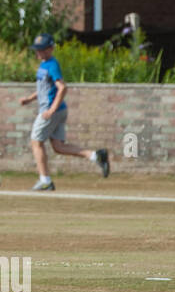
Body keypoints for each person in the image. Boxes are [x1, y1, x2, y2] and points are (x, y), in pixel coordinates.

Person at [18, 33, 109, 190]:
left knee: (36, 142)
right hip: (58, 110)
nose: (38, 53)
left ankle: (45, 180)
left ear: (51, 48)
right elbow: (44, 88)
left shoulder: (52, 64)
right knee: (58, 147)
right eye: (37, 50)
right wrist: (29, 99)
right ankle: (96, 156)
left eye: (42, 50)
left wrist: (51, 109)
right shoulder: (44, 64)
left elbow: (62, 87)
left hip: (51, 111)